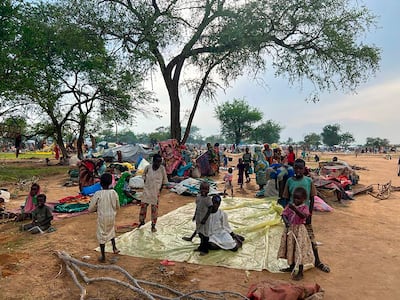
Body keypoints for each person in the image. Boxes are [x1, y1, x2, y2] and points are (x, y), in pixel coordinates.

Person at [282, 159, 330, 273]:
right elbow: (286, 198)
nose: (298, 171)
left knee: (310, 239)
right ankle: (292, 264)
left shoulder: (308, 181)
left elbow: (312, 198)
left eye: (300, 168)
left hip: (304, 216)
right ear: (293, 168)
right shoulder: (289, 181)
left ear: (304, 169)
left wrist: (310, 214)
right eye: (296, 168)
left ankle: (317, 261)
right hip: (293, 218)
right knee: (292, 241)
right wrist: (286, 215)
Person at [277, 187, 315, 281]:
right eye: (294, 198)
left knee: (299, 249)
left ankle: (300, 271)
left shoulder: (304, 208)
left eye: (298, 198)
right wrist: (286, 222)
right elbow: (284, 214)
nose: (296, 200)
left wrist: (295, 209)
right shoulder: (290, 206)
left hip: (299, 231)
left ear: (304, 199)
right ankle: (291, 266)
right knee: (291, 248)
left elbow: (303, 216)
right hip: (290, 230)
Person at [89, 173, 120, 263]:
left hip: (102, 217)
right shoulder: (114, 193)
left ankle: (103, 257)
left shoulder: (98, 194)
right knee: (111, 230)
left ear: (100, 183)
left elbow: (90, 208)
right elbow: (118, 206)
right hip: (111, 216)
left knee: (102, 234)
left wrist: (96, 208)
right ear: (111, 182)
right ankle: (114, 248)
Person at [138, 154, 168, 233]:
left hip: (156, 192)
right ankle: (141, 222)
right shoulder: (148, 168)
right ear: (153, 161)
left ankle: (153, 225)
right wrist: (146, 184)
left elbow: (164, 181)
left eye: (160, 162)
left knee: (154, 210)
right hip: (147, 191)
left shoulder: (162, 169)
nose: (158, 164)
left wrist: (159, 191)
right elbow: (143, 176)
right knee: (143, 208)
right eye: (157, 162)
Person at [194, 181, 213, 255]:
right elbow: (197, 207)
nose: (204, 191)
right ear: (200, 189)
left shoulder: (208, 199)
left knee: (205, 234)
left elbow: (210, 209)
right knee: (200, 233)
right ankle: (201, 247)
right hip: (199, 218)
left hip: (205, 220)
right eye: (202, 189)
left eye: (206, 189)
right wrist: (194, 215)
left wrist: (205, 218)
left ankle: (205, 250)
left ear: (208, 190)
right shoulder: (198, 197)